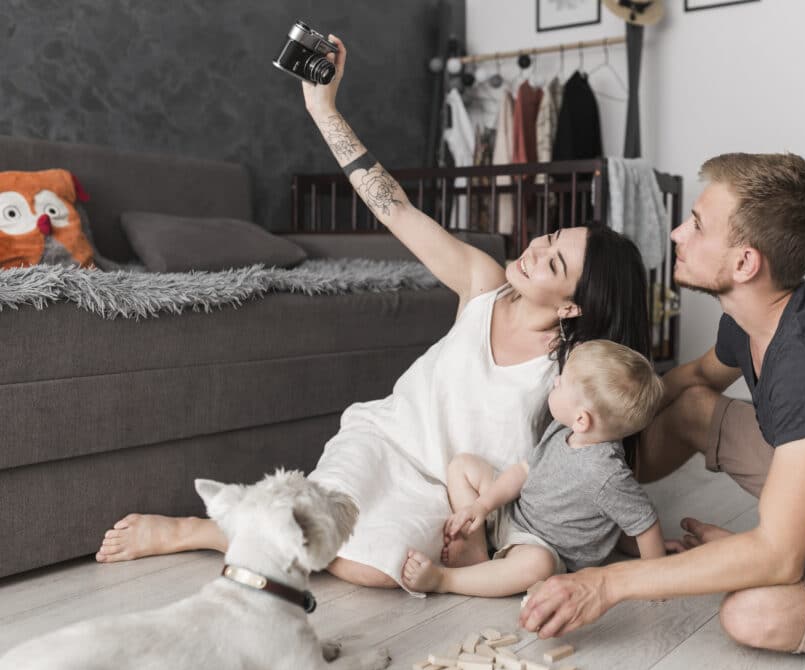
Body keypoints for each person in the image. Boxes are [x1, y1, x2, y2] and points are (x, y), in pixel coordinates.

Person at [95, 34, 655, 592]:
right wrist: (323, 108)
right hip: (385, 440)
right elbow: (396, 209)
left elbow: (589, 457)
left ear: (573, 305)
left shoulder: (576, 370)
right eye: (550, 235)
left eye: (554, 261)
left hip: (454, 492)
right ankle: (200, 530)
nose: (535, 248)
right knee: (322, 522)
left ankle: (239, 531)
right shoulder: (483, 281)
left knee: (369, 566)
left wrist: (636, 538)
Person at [519, 153, 805, 653]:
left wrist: (607, 584)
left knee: (753, 614)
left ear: (745, 263)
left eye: (697, 226)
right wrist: (597, 428)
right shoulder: (751, 317)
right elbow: (692, 378)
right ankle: (581, 511)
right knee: (692, 408)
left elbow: (779, 559)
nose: (678, 234)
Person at [401, 340, 669, 597]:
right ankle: (476, 550)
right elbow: (524, 470)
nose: (555, 381)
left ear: (581, 419)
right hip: (515, 512)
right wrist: (482, 506)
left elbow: (644, 522)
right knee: (463, 466)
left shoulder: (607, 475)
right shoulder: (561, 429)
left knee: (537, 566)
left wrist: (654, 580)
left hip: (541, 546)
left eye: (561, 384)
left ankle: (445, 580)